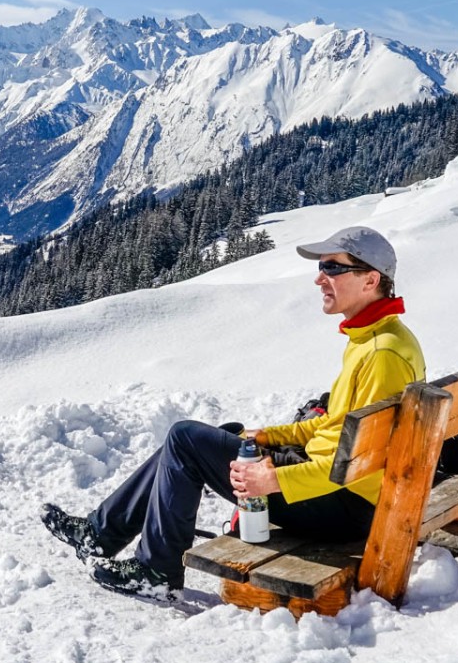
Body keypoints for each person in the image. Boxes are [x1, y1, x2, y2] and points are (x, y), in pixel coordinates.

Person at [41, 225, 425, 602]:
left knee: (185, 439)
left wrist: (274, 480)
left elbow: (355, 464)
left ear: (371, 280)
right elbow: (337, 428)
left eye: (333, 268)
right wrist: (268, 438)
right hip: (334, 490)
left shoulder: (380, 354)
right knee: (220, 435)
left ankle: (157, 570)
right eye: (320, 268)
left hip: (338, 504)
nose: (320, 279)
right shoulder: (376, 338)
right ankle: (101, 534)